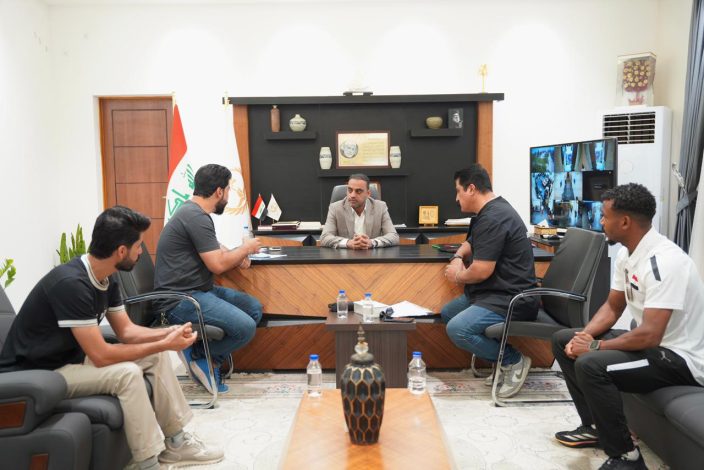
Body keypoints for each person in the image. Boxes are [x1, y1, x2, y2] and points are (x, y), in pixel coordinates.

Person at [0, 206, 224, 470]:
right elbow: (101, 355)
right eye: (138, 247)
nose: (141, 253)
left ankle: (176, 443)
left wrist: (168, 333)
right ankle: (148, 462)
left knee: (155, 356)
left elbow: (126, 331)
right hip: (41, 372)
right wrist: (165, 342)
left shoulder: (107, 278)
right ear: (121, 251)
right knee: (127, 374)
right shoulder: (72, 284)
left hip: (70, 360)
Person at [552, 183, 704, 470]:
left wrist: (594, 346)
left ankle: (627, 457)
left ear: (624, 222)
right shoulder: (628, 254)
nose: (600, 221)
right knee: (563, 339)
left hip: (681, 358)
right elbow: (613, 307)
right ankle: (595, 427)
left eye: (604, 216)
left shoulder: (664, 262)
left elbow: (650, 335)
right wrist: (584, 336)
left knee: (591, 364)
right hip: (656, 346)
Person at [154, 163, 263, 394]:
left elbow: (214, 246)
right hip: (180, 300)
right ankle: (199, 355)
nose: (229, 197)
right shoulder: (195, 216)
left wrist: (237, 253)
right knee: (245, 328)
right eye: (229, 190)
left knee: (254, 308)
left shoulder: (192, 212)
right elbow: (218, 265)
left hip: (200, 290)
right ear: (219, 192)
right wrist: (245, 249)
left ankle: (209, 360)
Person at [441, 164, 538, 398]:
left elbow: (481, 271)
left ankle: (513, 360)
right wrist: (457, 257)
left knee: (458, 329)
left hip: (511, 298)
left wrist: (457, 275)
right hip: (491, 292)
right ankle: (500, 361)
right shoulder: (489, 212)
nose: (456, 198)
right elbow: (471, 242)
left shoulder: (494, 217)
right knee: (448, 313)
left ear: (471, 188)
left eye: (458, 191)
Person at [320, 173, 399, 249]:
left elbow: (393, 236)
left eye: (358, 191)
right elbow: (324, 237)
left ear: (368, 193)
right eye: (350, 190)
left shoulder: (380, 207)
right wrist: (348, 243)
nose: (352, 195)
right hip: (345, 255)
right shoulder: (335, 208)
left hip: (372, 255)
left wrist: (372, 243)